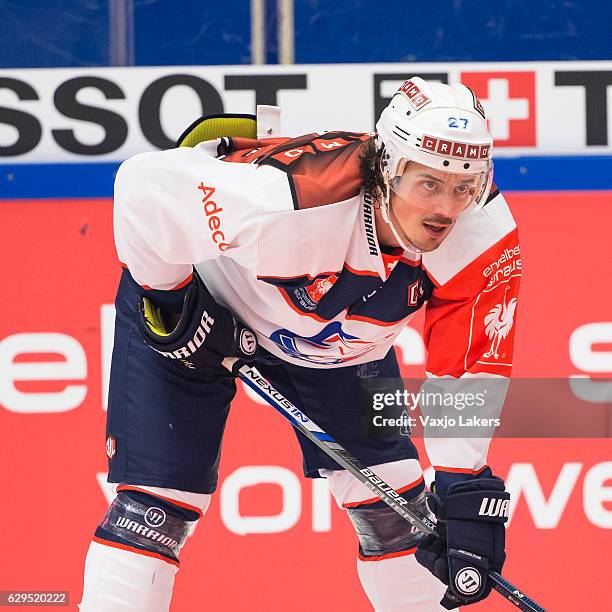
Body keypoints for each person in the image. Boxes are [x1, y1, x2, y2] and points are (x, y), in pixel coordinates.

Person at [80, 77, 520, 611]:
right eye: (428, 184)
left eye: (463, 186)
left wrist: (461, 482)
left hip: (343, 347)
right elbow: (142, 189)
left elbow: (468, 361)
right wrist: (170, 299)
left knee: (399, 515)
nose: (447, 209)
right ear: (385, 170)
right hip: (204, 311)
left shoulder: (482, 233)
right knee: (153, 512)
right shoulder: (287, 198)